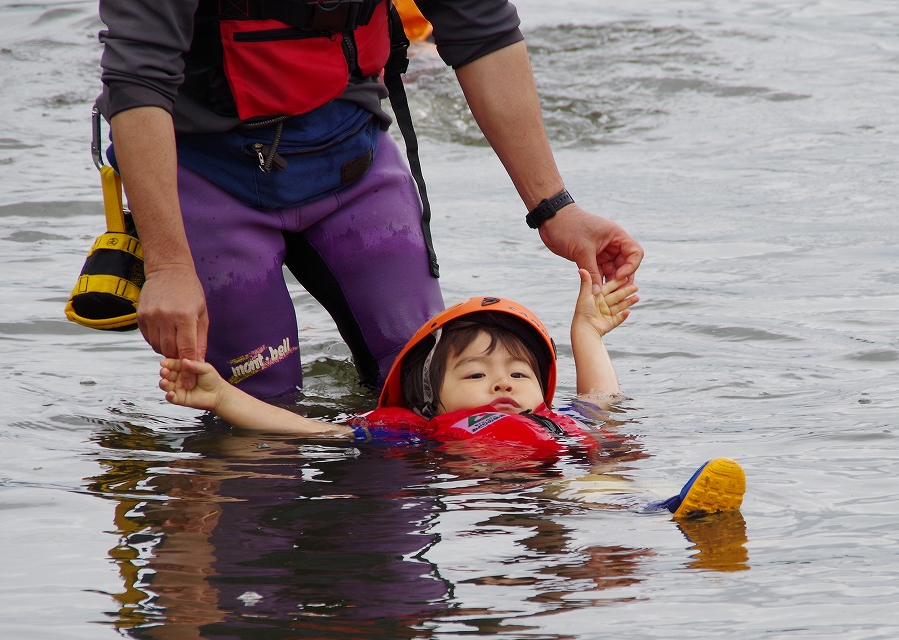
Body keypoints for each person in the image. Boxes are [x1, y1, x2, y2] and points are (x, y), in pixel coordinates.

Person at [96, 0, 644, 399]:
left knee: (431, 378)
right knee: (256, 404)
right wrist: (168, 265)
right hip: (203, 174)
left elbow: (482, 30)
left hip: (350, 157)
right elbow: (137, 81)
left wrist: (555, 208)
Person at [159, 271, 746, 518]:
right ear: (429, 397)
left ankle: (664, 509)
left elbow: (604, 403)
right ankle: (660, 514)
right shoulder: (416, 429)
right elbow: (315, 431)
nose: (502, 383)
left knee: (606, 467)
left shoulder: (556, 423)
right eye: (475, 374)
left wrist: (586, 333)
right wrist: (223, 398)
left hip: (559, 480)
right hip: (477, 497)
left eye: (519, 374)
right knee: (575, 507)